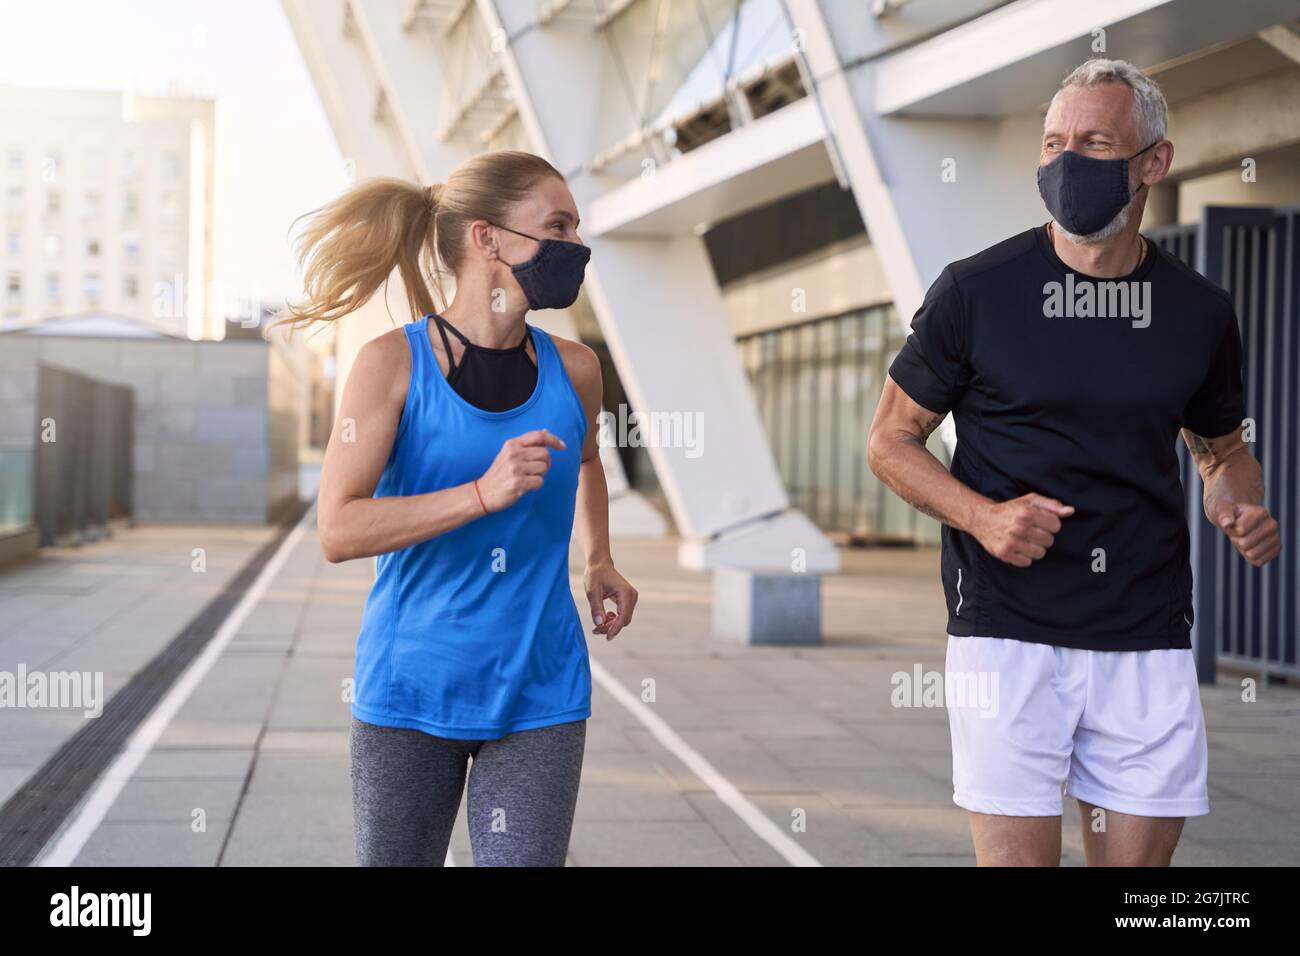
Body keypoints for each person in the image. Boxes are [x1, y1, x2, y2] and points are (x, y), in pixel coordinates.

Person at [867, 59, 1280, 866]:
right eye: (1054, 143)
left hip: (1147, 636)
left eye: (1093, 143)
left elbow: (1224, 448)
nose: (1066, 163)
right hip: (1007, 636)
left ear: (1152, 162)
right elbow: (890, 440)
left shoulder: (1198, 312)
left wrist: (1238, 501)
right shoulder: (976, 291)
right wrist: (983, 518)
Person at [280, 149, 638, 866]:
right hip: (412, 690)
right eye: (557, 226)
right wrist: (482, 494)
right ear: (487, 238)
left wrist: (599, 557)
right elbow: (338, 528)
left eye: (574, 228)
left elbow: (590, 459)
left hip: (541, 691)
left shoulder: (577, 370)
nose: (575, 246)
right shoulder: (392, 364)